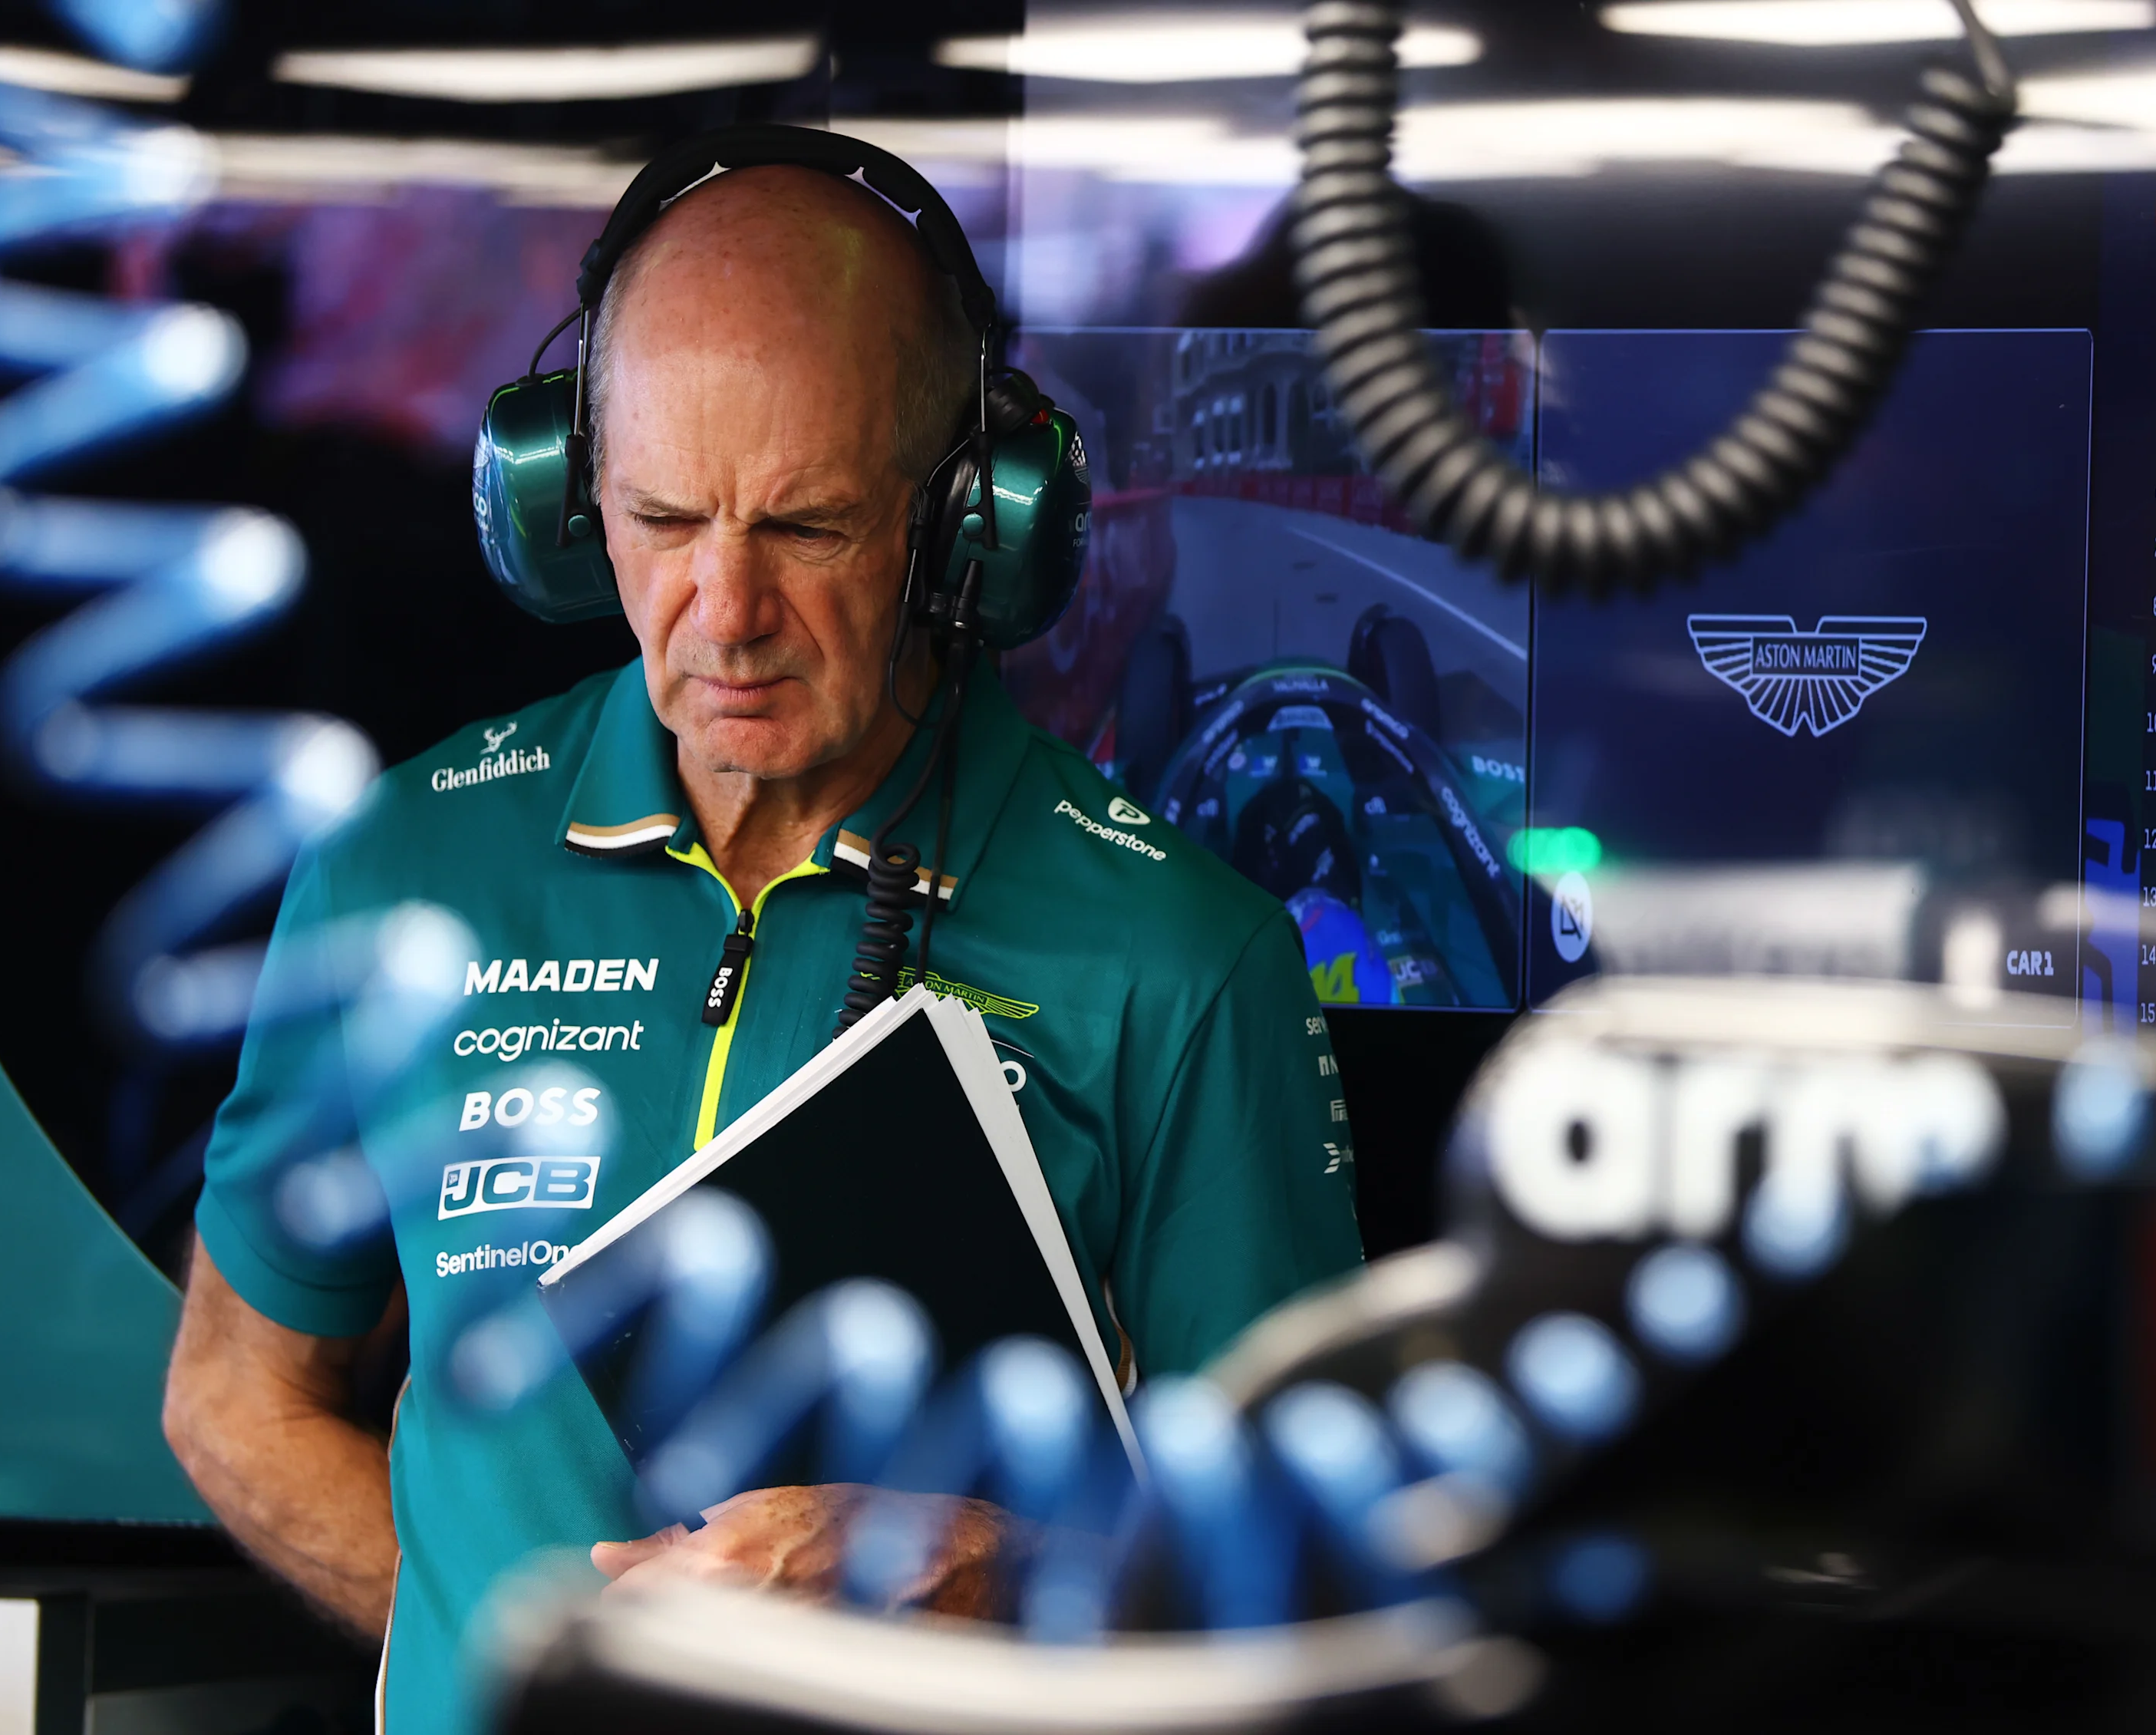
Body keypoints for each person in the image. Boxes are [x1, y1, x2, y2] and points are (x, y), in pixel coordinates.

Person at [162, 147, 1364, 1733]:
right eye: (662, 518)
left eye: (807, 525)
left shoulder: (1179, 956)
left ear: (966, 525)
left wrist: (996, 1579)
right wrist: (504, 1637)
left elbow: (1315, 1571)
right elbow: (240, 1390)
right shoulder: (405, 867)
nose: (723, 611)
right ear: (566, 498)